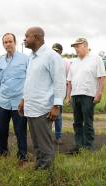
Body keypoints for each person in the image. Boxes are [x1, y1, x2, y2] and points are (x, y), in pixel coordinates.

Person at [19, 27, 66, 170]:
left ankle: (46, 175)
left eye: (27, 36)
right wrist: (23, 100)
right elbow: (30, 82)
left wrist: (56, 106)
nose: (24, 39)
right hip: (31, 107)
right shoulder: (32, 57)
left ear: (37, 37)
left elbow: (59, 82)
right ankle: (39, 166)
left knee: (45, 144)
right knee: (37, 143)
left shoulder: (52, 56)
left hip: (43, 109)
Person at [66, 38, 106, 154]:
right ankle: (78, 145)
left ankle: (88, 146)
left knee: (87, 122)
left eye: (77, 47)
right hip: (75, 95)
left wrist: (99, 93)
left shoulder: (96, 59)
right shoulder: (74, 62)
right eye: (74, 47)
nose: (76, 49)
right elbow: (69, 80)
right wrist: (68, 96)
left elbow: (101, 77)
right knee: (77, 122)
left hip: (88, 95)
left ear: (85, 45)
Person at [0, 33, 28, 162]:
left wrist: (25, 98)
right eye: (5, 42)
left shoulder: (25, 59)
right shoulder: (1, 60)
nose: (8, 44)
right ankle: (3, 152)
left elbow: (29, 80)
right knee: (1, 128)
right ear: (3, 44)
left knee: (20, 130)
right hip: (2, 101)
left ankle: (22, 156)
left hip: (19, 102)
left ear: (15, 42)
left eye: (10, 41)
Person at [51, 43, 70, 145]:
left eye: (57, 51)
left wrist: (67, 95)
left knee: (58, 116)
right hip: (48, 93)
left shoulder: (65, 63)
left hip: (59, 93)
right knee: (47, 115)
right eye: (53, 51)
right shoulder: (49, 61)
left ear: (61, 52)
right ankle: (47, 136)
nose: (55, 53)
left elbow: (68, 80)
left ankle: (58, 137)